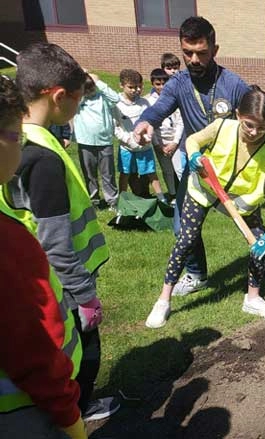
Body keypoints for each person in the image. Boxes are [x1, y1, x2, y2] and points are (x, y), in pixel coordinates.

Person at [7, 42, 118, 422]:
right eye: (78, 99)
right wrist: (85, 295)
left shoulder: (19, 140)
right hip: (65, 282)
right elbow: (55, 242)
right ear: (57, 96)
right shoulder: (42, 160)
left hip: (40, 278)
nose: (78, 107)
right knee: (81, 350)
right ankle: (78, 411)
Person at [145, 86, 265, 328]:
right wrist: (193, 155)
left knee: (258, 246)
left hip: (241, 202)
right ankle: (163, 300)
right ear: (237, 115)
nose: (254, 132)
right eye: (249, 125)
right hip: (204, 189)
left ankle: (252, 298)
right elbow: (193, 140)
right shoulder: (222, 127)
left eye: (262, 128)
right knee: (186, 240)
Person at [135, 16, 251, 295]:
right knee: (181, 228)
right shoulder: (178, 84)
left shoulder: (233, 84)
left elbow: (254, 117)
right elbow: (159, 108)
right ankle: (197, 275)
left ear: (215, 50)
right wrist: (146, 121)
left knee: (252, 228)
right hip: (196, 168)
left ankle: (261, 283)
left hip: (232, 170)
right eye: (188, 52)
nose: (194, 59)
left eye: (201, 52)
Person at [0, 74, 88, 439]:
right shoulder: (9, 245)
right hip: (27, 411)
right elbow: (32, 347)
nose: (20, 147)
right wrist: (73, 422)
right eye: (14, 135)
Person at [113, 68, 166, 202]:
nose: (135, 90)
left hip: (144, 147)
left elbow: (150, 123)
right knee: (125, 173)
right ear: (121, 85)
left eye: (138, 87)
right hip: (127, 147)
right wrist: (128, 140)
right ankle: (122, 199)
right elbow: (115, 127)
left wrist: (147, 137)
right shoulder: (116, 104)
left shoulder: (144, 103)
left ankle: (161, 198)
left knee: (151, 172)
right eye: (131, 87)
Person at [73, 72, 120, 210]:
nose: (89, 92)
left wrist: (98, 82)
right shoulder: (80, 101)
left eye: (91, 88)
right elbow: (74, 103)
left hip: (104, 141)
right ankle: (94, 200)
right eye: (86, 90)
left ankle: (112, 201)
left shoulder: (103, 97)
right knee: (89, 174)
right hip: (85, 142)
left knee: (108, 174)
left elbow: (116, 98)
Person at [146, 68, 183, 200]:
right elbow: (151, 126)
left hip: (175, 140)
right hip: (160, 141)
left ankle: (185, 195)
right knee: (167, 171)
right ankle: (173, 194)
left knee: (180, 169)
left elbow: (180, 121)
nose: (161, 87)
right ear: (152, 84)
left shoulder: (176, 98)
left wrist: (175, 142)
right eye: (158, 84)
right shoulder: (149, 101)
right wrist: (158, 145)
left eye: (164, 83)